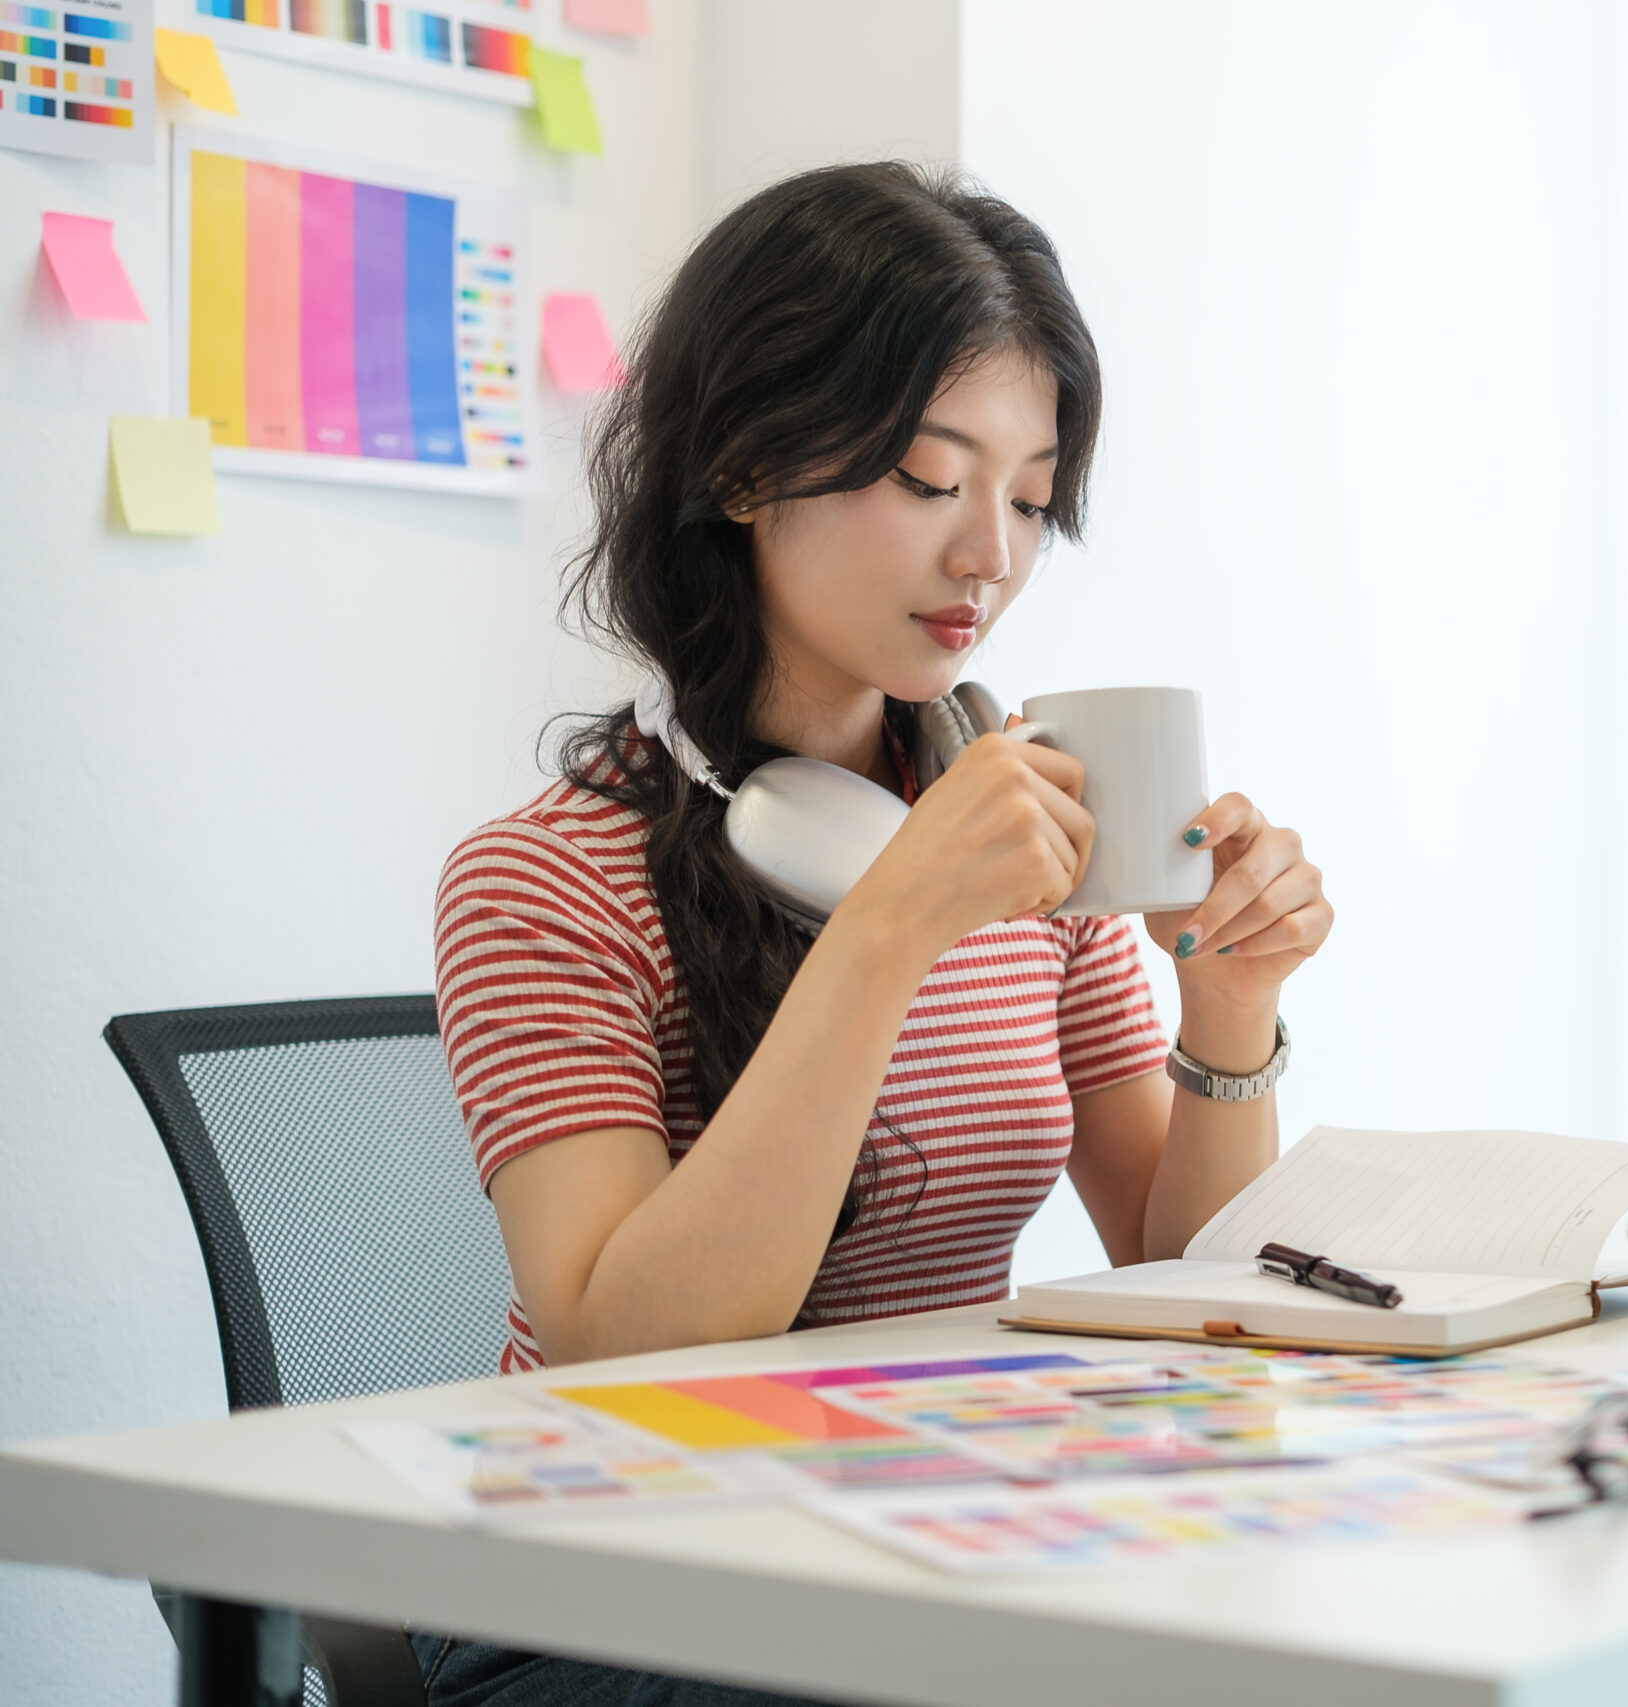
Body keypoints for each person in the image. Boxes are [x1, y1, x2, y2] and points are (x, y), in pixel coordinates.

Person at [423, 162, 1331, 1706]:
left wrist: (1229, 1008)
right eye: (928, 479)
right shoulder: (541, 883)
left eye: (1034, 497)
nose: (991, 552)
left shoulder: (1036, 833)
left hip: (930, 1536)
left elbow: (1183, 1282)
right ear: (739, 466)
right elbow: (624, 1352)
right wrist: (890, 927)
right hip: (623, 1585)